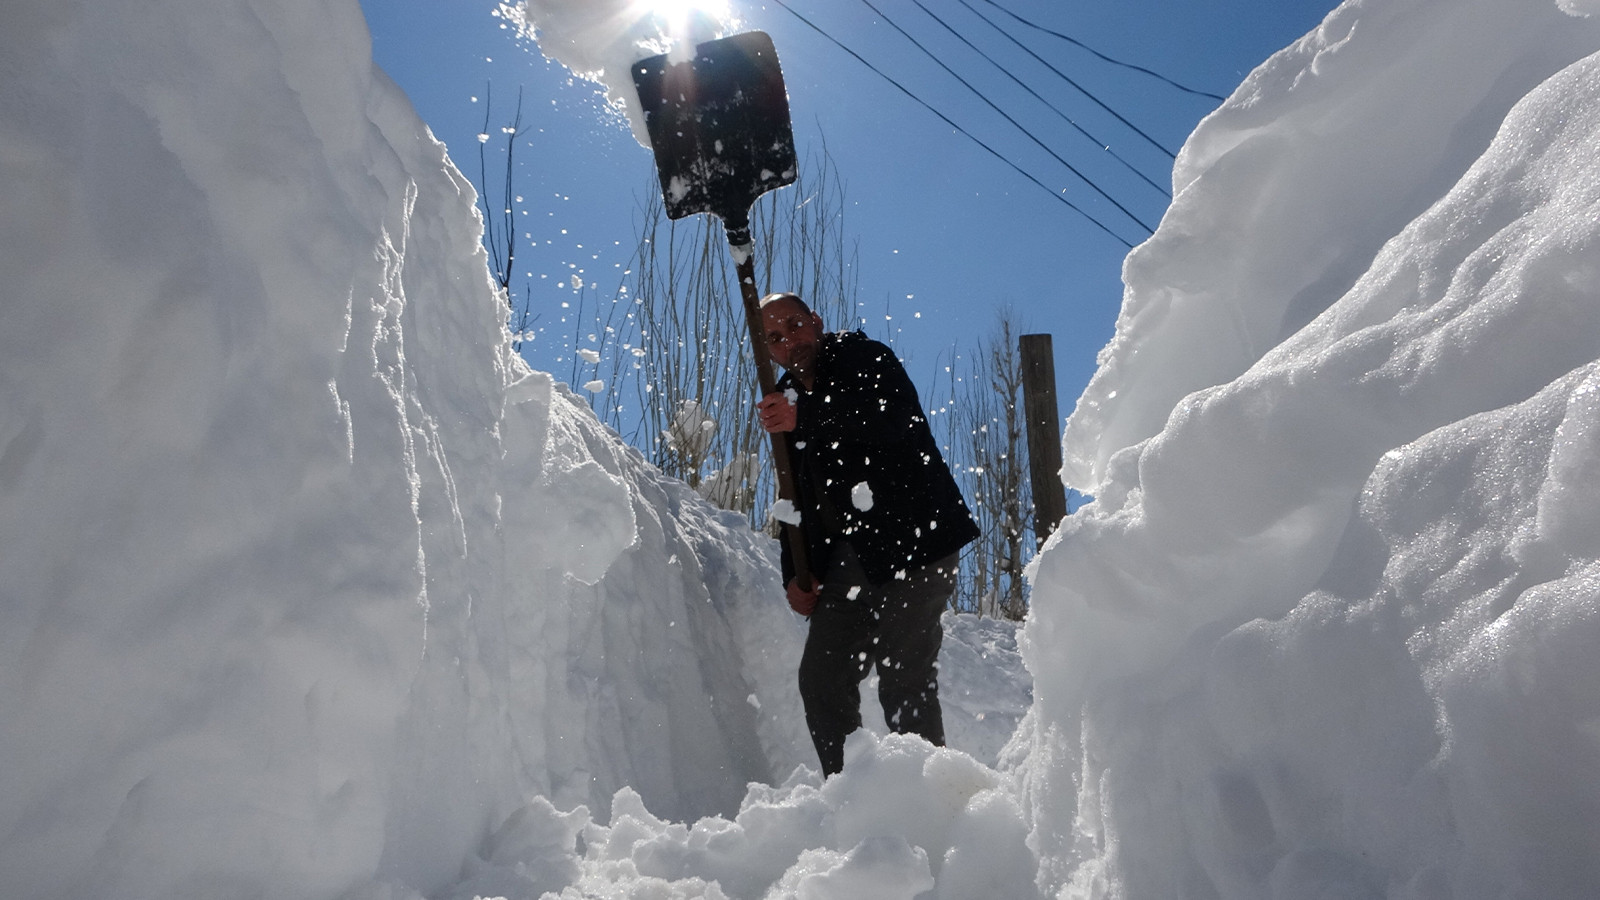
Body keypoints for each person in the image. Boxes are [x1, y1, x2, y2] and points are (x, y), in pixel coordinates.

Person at [755, 292, 980, 776]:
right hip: (849, 561)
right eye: (774, 337)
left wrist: (806, 418)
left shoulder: (865, 357)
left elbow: (889, 421)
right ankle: (853, 800)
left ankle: (931, 809)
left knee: (905, 680)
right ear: (768, 350)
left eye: (794, 325)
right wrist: (795, 572)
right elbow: (793, 493)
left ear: (815, 321)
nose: (789, 341)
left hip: (917, 543)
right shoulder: (785, 401)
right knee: (822, 680)